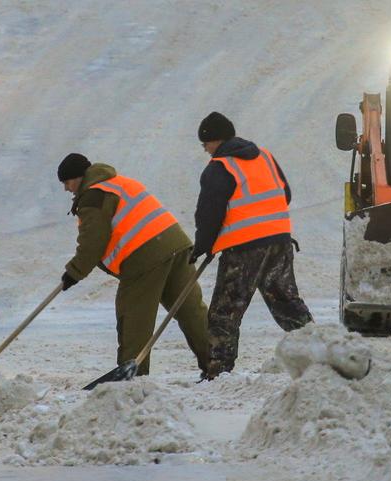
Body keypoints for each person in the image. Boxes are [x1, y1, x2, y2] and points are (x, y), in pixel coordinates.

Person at [57, 153, 212, 376]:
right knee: (190, 311)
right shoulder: (120, 183)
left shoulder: (93, 196)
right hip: (177, 246)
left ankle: (132, 377)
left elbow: (93, 243)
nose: (66, 188)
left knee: (134, 316)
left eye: (67, 182)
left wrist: (73, 273)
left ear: (79, 177)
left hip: (144, 257)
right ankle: (217, 364)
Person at [190, 112, 313, 379]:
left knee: (225, 312)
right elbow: (285, 193)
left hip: (244, 250)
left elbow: (209, 213)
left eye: (206, 144)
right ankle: (321, 356)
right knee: (287, 304)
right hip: (280, 241)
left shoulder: (219, 167)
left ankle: (218, 373)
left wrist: (202, 245)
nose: (206, 150)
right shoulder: (265, 156)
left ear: (215, 141)